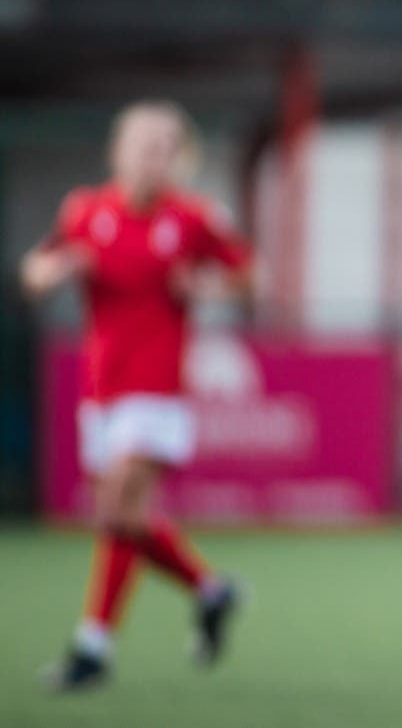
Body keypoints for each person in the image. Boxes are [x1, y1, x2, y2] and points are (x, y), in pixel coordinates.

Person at [21, 100, 253, 692]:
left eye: (166, 147)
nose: (155, 157)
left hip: (158, 389)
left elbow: (248, 273)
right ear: (118, 152)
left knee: (122, 501)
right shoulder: (85, 210)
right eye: (145, 145)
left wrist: (204, 283)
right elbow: (35, 268)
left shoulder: (193, 218)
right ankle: (209, 590)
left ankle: (92, 647)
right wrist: (50, 273)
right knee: (120, 518)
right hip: (102, 388)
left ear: (179, 158)